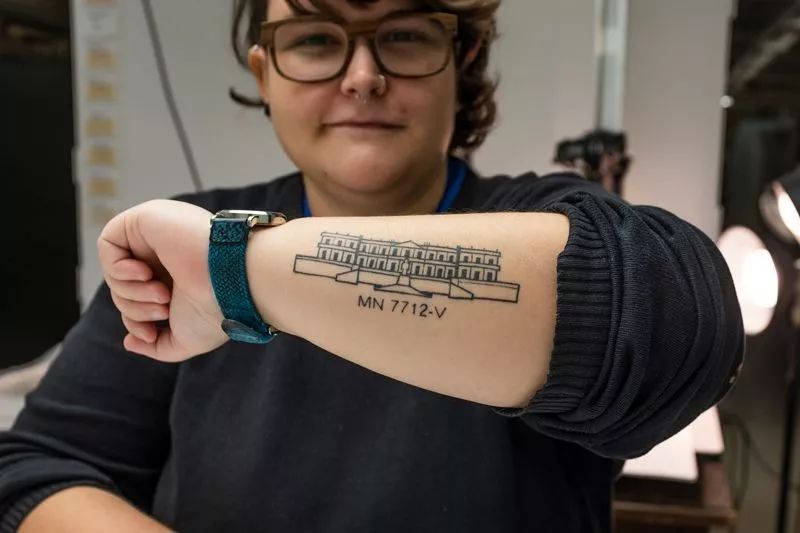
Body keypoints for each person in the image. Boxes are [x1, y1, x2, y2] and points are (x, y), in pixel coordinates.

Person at [0, 0, 744, 531]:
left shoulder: (548, 219)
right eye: (315, 39)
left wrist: (236, 269)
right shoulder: (178, 245)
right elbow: (33, 469)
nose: (361, 75)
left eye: (405, 35)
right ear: (264, 74)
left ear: (463, 62)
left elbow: (677, 325)